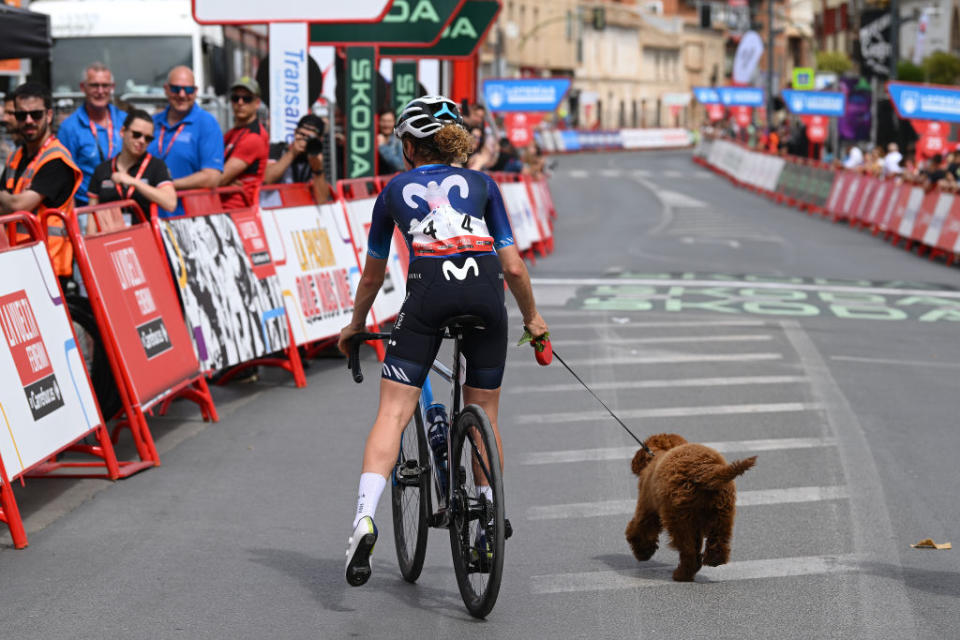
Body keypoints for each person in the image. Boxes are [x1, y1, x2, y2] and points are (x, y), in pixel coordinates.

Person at [336, 96, 549, 587]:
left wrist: (355, 325)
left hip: (429, 291)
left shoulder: (393, 189)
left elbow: (371, 279)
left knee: (393, 411)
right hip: (486, 295)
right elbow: (513, 266)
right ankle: (489, 519)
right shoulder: (484, 184)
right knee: (485, 416)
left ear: (410, 147)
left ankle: (364, 518)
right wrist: (534, 320)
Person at [0, 82, 82, 284]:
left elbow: (19, 205)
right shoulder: (16, 156)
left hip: (47, 268)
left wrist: (10, 199)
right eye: (21, 115)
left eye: (36, 115)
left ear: (49, 115)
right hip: (17, 260)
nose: (28, 121)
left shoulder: (56, 159)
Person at [147, 66, 224, 217]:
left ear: (195, 91)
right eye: (176, 89)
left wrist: (168, 186)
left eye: (188, 90)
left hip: (190, 219)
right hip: (153, 215)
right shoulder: (153, 122)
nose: (182, 95)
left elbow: (211, 177)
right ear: (166, 89)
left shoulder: (207, 123)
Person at [56, 62, 126, 206]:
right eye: (94, 85)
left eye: (105, 86)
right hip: (86, 208)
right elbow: (65, 178)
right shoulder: (69, 128)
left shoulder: (124, 120)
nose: (100, 91)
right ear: (83, 88)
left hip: (123, 205)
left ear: (112, 88)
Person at [87, 109, 176, 220]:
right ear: (122, 132)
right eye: (136, 134)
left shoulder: (156, 166)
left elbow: (170, 203)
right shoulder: (102, 169)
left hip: (144, 234)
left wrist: (134, 182)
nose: (142, 141)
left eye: (148, 138)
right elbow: (92, 215)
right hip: (111, 235)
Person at [220, 77, 269, 210]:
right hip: (221, 207)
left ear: (257, 103)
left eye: (247, 99)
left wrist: (220, 182)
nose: (240, 103)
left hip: (240, 211)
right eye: (236, 98)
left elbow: (218, 178)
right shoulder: (232, 133)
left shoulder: (254, 137)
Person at [263, 114, 331, 204]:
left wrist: (317, 170)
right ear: (295, 132)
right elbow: (267, 179)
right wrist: (292, 153)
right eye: (301, 134)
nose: (304, 140)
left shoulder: (316, 157)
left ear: (319, 140)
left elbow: (322, 200)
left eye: (310, 137)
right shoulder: (278, 149)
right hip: (274, 209)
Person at [376, 109, 403, 174]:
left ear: (394, 122)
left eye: (389, 121)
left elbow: (401, 166)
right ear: (378, 122)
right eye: (383, 121)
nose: (386, 124)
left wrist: (382, 147)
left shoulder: (398, 140)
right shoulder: (371, 138)